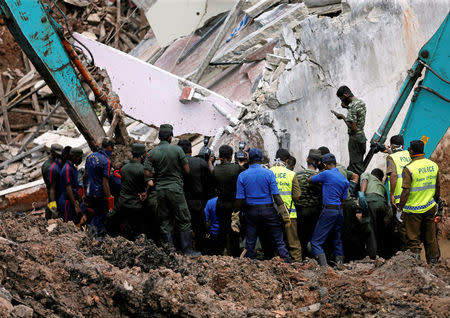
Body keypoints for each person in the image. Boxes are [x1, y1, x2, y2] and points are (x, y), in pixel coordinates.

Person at [148, 124, 199, 256]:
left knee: (165, 220)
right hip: (175, 188)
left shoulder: (152, 152)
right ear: (171, 137)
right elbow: (187, 170)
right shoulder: (177, 150)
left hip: (160, 190)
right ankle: (188, 250)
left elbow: (147, 172)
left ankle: (170, 252)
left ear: (159, 137)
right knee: (184, 218)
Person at [235, 148, 291, 262]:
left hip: (251, 212)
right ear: (261, 159)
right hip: (268, 211)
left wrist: (235, 215)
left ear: (248, 159)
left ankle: (249, 264)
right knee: (278, 239)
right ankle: (286, 261)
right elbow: (276, 196)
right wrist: (285, 214)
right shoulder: (269, 173)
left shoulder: (242, 176)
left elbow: (240, 200)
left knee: (250, 241)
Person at [398, 140, 440, 263]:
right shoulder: (433, 165)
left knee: (413, 239)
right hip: (430, 206)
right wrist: (436, 202)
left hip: (413, 210)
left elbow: (405, 192)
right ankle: (433, 262)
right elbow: (437, 187)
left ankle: (415, 265)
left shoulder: (409, 168)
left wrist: (400, 208)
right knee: (430, 237)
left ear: (411, 151)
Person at [319, 146, 364, 261]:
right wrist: (350, 190)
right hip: (347, 203)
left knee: (339, 231)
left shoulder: (326, 173)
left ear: (324, 162)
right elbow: (355, 176)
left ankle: (346, 257)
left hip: (338, 205)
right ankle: (348, 257)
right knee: (345, 230)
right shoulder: (341, 168)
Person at [308, 153, 349, 266]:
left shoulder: (325, 174)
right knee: (337, 238)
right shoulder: (344, 179)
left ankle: (324, 268)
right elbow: (343, 201)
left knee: (316, 242)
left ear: (325, 165)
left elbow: (310, 180)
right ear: (335, 164)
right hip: (339, 211)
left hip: (329, 210)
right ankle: (340, 265)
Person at [178, 139, 214, 252]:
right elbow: (209, 184)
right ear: (191, 149)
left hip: (180, 201)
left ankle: (182, 249)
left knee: (182, 227)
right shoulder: (200, 162)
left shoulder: (175, 163)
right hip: (198, 202)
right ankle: (200, 250)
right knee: (199, 228)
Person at [213, 145, 245, 256]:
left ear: (220, 156)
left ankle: (218, 252)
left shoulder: (215, 169)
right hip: (234, 205)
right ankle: (235, 253)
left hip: (221, 203)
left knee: (222, 229)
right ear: (231, 156)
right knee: (234, 230)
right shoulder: (236, 168)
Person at [270, 149, 302, 262]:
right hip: (290, 214)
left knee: (276, 242)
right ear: (287, 161)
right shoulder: (291, 174)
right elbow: (297, 196)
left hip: (272, 213)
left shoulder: (269, 172)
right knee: (293, 242)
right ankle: (297, 265)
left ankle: (276, 265)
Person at [116, 144, 152, 240]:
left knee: (128, 228)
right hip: (136, 204)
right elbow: (150, 183)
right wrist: (146, 192)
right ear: (142, 156)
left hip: (123, 202)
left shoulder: (124, 168)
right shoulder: (142, 169)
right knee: (139, 230)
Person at [294, 149, 322, 260]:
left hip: (300, 211)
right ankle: (315, 260)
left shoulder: (297, 175)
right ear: (319, 163)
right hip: (315, 211)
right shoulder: (320, 176)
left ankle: (301, 259)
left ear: (307, 159)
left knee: (301, 238)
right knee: (315, 238)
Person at [333, 86, 367, 175]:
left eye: (341, 98)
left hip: (355, 139)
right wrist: (347, 108)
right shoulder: (359, 102)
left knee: (356, 168)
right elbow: (357, 114)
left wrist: (343, 117)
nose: (341, 101)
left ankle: (359, 186)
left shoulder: (352, 106)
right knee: (356, 164)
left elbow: (353, 127)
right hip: (361, 136)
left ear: (345, 95)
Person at [358, 168, 391, 259]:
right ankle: (382, 254)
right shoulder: (382, 185)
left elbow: (364, 180)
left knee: (369, 228)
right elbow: (387, 202)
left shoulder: (367, 174)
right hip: (383, 205)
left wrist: (362, 194)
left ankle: (371, 256)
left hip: (371, 202)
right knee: (380, 229)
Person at [385, 135, 410, 251]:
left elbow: (394, 175)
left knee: (401, 226)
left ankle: (407, 253)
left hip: (400, 198)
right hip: (411, 196)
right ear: (403, 146)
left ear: (392, 145)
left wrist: (391, 194)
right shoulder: (409, 154)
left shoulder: (391, 158)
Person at [85, 137, 115, 233]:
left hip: (89, 192)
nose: (112, 150)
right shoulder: (106, 161)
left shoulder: (90, 157)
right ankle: (94, 238)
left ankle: (91, 234)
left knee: (94, 215)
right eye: (112, 148)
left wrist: (84, 193)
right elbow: (105, 182)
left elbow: (84, 176)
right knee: (101, 217)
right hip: (99, 194)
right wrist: (109, 198)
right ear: (109, 147)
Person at [58, 148, 84, 223]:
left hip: (71, 200)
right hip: (66, 202)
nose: (81, 159)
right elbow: (68, 189)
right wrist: (76, 205)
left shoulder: (72, 167)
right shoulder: (67, 169)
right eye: (80, 157)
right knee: (68, 224)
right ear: (74, 157)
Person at [42, 143, 63, 220]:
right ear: (53, 153)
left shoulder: (55, 163)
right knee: (54, 214)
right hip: (54, 194)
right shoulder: (48, 167)